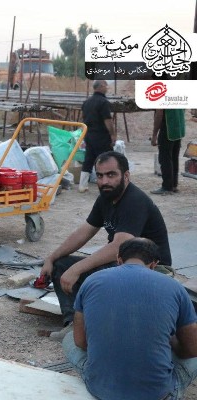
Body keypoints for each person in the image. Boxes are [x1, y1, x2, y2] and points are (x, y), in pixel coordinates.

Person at [40, 151, 171, 340]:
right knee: (61, 265)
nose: (104, 181)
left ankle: (98, 327)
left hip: (153, 271)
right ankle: (73, 325)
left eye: (111, 175)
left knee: (94, 276)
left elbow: (119, 246)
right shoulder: (106, 198)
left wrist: (77, 268)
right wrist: (51, 258)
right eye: (100, 176)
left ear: (126, 176)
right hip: (122, 265)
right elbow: (84, 232)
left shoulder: (134, 201)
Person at [63, 237, 197, 400]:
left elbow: (81, 342)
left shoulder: (91, 281)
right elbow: (192, 349)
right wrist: (171, 342)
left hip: (101, 390)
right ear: (154, 264)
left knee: (69, 338)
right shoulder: (175, 287)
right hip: (158, 395)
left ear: (119, 260)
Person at [79, 80, 115, 193]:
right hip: (101, 136)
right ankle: (107, 185)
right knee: (106, 160)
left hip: (89, 135)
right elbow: (107, 120)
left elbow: (83, 119)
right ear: (100, 86)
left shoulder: (86, 102)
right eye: (105, 86)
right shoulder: (103, 102)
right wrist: (112, 134)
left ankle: (82, 185)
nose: (107, 88)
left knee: (88, 159)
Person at [151, 109, 185, 195]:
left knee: (165, 158)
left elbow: (159, 114)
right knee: (174, 158)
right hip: (178, 128)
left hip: (167, 129)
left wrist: (154, 134)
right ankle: (173, 185)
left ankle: (167, 187)